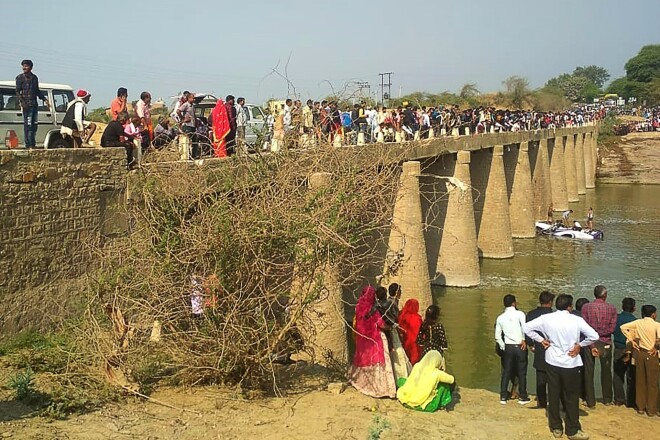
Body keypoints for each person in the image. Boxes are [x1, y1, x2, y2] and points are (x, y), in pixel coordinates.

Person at [524, 294, 598, 440]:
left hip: (552, 361)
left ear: (556, 305)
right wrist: (580, 345)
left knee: (553, 394)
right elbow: (594, 336)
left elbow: (526, 328)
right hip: (570, 362)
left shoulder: (547, 318)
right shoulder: (577, 320)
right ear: (569, 307)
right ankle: (572, 430)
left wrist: (541, 340)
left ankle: (556, 427)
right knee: (571, 396)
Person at [348, 285, 396, 398]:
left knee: (362, 359)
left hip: (362, 339)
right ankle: (381, 389)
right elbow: (381, 324)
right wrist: (391, 327)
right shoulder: (373, 309)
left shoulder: (358, 307)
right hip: (375, 340)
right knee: (378, 361)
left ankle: (360, 382)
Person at [580, 285, 617, 408]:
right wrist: (600, 333)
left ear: (594, 294)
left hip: (590, 343)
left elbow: (584, 327)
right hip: (605, 342)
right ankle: (607, 399)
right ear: (605, 295)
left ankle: (590, 401)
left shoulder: (586, 307)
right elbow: (612, 328)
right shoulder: (612, 308)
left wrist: (593, 335)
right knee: (606, 371)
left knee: (588, 372)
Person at [620, 304, 660, 417]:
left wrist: (631, 340)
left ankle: (641, 407)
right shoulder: (657, 325)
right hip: (652, 354)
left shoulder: (638, 322)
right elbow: (659, 340)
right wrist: (655, 348)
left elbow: (623, 327)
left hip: (640, 353)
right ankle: (651, 409)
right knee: (652, 383)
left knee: (640, 380)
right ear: (653, 314)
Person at [495, 294, 530, 405]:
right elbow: (524, 328)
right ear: (514, 303)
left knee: (506, 371)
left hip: (508, 346)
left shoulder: (500, 317)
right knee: (522, 372)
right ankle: (523, 396)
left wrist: (503, 346)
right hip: (520, 345)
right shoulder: (520, 314)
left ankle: (503, 396)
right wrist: (524, 339)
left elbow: (497, 336)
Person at [526, 290, 555, 409]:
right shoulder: (553, 315)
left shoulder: (531, 314)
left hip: (538, 347)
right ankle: (553, 401)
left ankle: (541, 402)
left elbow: (527, 331)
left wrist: (531, 344)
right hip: (552, 348)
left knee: (541, 376)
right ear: (550, 302)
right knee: (553, 377)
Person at [16, 59, 50, 148]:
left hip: (34, 104)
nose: (24, 67)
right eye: (23, 66)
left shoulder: (34, 78)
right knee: (28, 125)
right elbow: (17, 91)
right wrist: (22, 102)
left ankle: (33, 144)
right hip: (26, 105)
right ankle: (29, 145)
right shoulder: (19, 78)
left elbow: (37, 91)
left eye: (26, 66)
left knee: (34, 125)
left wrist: (45, 99)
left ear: (31, 67)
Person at [612, 297, 636, 407]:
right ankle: (631, 401)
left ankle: (619, 399)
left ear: (622, 307)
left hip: (618, 348)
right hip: (631, 350)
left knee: (618, 375)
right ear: (634, 308)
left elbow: (612, 331)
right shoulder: (636, 321)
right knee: (631, 376)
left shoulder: (616, 318)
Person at [398, 299, 423, 365]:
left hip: (405, 341)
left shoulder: (402, 316)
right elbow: (420, 332)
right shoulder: (417, 319)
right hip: (414, 344)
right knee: (414, 361)